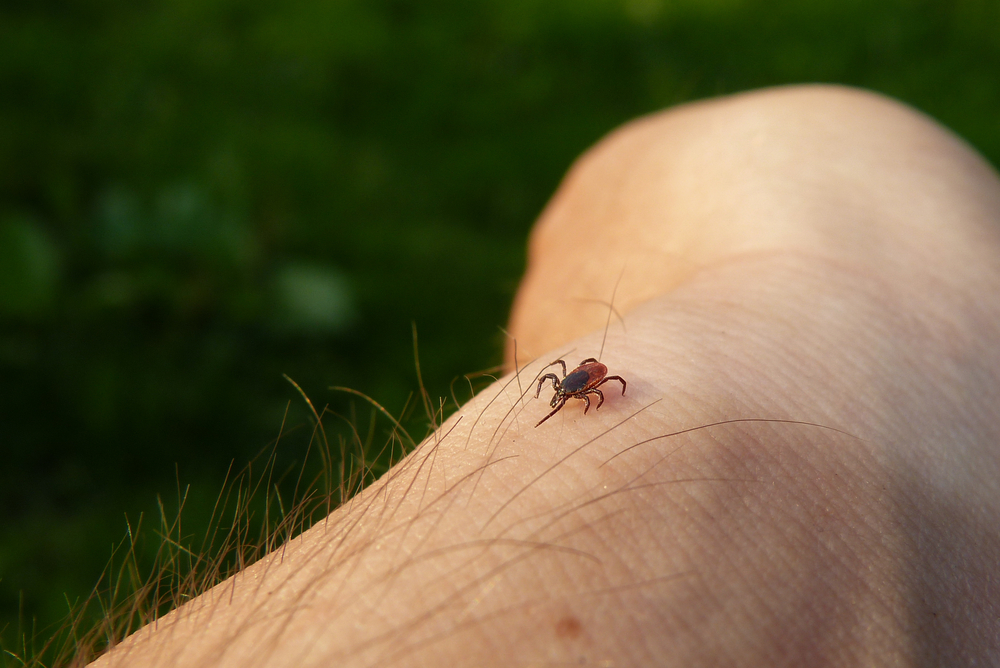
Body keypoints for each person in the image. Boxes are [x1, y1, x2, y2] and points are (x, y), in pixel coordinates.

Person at [92, 85, 1000, 666]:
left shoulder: (597, 382)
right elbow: (601, 385)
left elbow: (610, 383)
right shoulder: (589, 384)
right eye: (572, 393)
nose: (575, 396)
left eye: (575, 392)